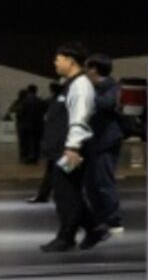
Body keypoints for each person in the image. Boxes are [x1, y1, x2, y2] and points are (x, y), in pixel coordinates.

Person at [42, 45, 123, 251]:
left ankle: (67, 237)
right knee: (67, 192)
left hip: (72, 151)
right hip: (63, 150)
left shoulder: (80, 85)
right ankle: (93, 229)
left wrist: (73, 147)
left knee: (65, 193)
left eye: (58, 58)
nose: (55, 62)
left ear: (71, 61)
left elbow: (80, 117)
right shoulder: (70, 84)